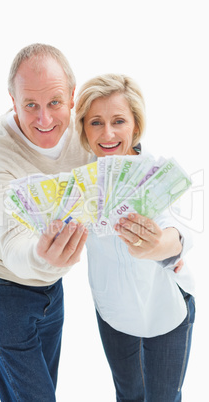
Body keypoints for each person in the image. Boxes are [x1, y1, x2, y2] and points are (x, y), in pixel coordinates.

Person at [0, 43, 91, 402]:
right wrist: (43, 257)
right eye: (30, 106)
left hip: (51, 283)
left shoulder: (84, 130)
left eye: (54, 103)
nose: (44, 120)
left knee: (37, 391)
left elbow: (119, 154)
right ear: (12, 100)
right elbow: (14, 245)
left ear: (71, 96)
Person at [75, 73, 195, 401]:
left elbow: (178, 231)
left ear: (135, 126)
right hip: (113, 313)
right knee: (128, 396)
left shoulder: (155, 176)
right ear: (84, 128)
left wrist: (159, 245)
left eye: (118, 121)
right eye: (96, 122)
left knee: (163, 397)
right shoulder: (78, 181)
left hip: (166, 310)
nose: (108, 133)